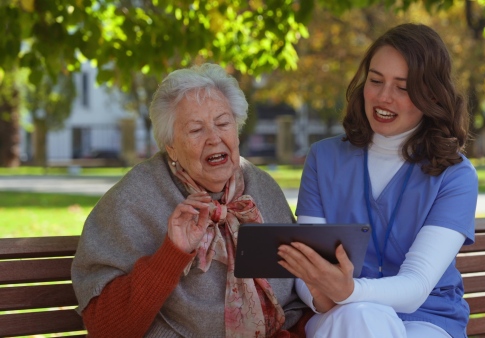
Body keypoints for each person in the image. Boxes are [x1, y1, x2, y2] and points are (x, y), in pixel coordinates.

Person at [71, 63, 308, 337]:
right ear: (170, 146)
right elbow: (105, 327)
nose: (214, 138)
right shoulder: (132, 201)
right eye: (196, 130)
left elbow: (295, 299)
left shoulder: (262, 188)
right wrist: (172, 253)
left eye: (222, 123)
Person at [277, 23, 478, 338]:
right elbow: (309, 267)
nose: (384, 97)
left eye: (403, 86)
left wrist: (347, 289)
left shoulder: (456, 176)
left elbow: (416, 287)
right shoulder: (323, 159)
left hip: (427, 319)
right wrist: (324, 294)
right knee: (360, 317)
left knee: (364, 316)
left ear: (431, 94)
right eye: (375, 80)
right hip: (340, 315)